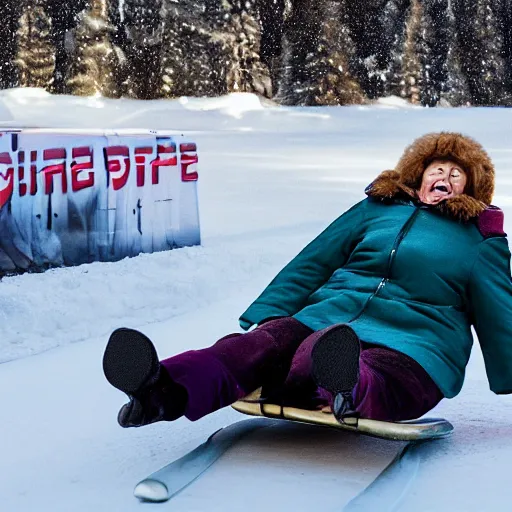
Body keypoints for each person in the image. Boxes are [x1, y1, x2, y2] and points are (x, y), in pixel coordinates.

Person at [103, 132, 512, 428]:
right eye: (437, 168)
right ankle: (158, 388)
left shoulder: (479, 239)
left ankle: (342, 386)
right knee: (259, 346)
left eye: (457, 175)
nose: (445, 176)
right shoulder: (375, 210)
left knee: (343, 360)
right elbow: (316, 259)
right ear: (419, 176)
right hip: (330, 316)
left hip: (415, 344)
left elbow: (500, 313)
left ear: (471, 189)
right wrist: (271, 313)